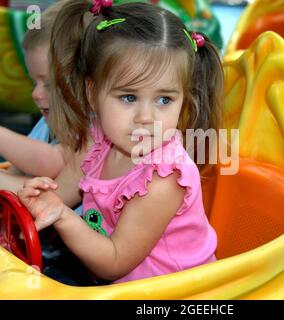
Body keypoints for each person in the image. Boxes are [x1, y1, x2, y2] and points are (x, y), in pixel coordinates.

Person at [18, 0, 223, 284]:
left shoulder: (163, 178)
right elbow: (61, 191)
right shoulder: (99, 139)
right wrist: (41, 199)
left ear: (183, 100)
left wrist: (62, 216)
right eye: (129, 97)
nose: (145, 117)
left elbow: (114, 262)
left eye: (164, 99)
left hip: (171, 294)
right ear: (92, 93)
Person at [0, 0, 68, 192]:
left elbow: (52, 163)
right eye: (34, 82)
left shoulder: (92, 132)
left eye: (49, 84)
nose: (35, 94)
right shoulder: (44, 125)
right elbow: (15, 174)